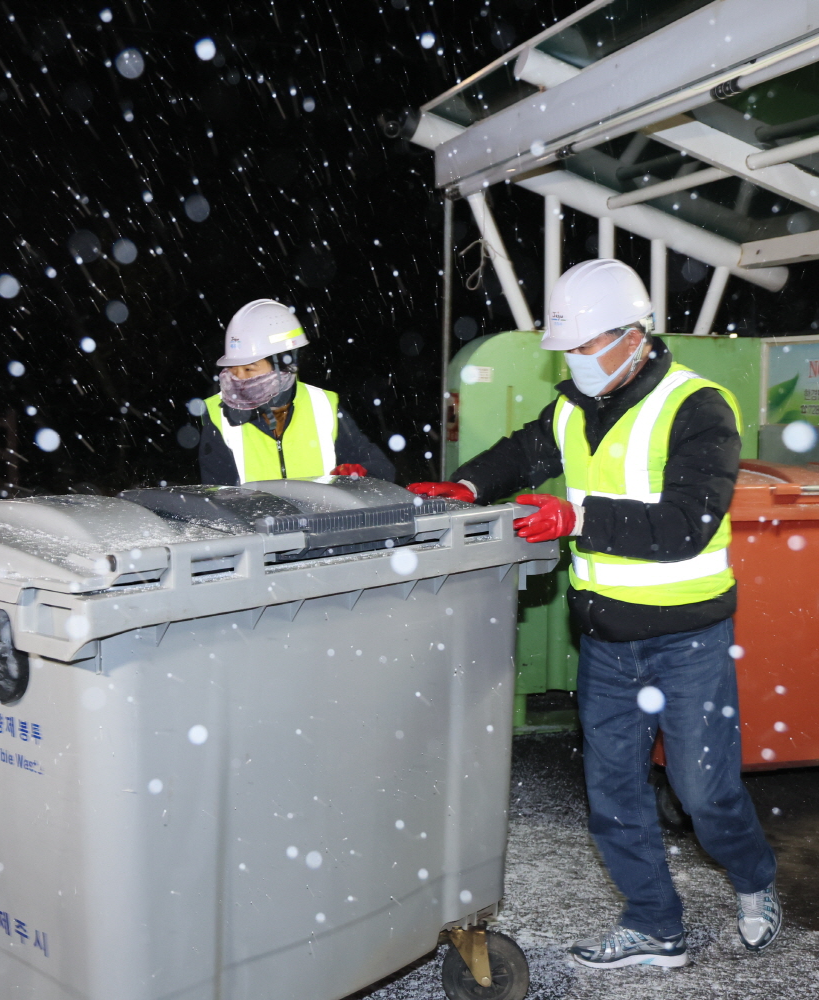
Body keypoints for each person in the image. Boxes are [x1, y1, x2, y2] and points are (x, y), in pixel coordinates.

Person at [409, 259, 780, 969]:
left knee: (704, 793)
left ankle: (756, 878)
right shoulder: (573, 407)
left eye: (584, 346)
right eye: (568, 349)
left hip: (688, 638)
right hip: (607, 641)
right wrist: (465, 484)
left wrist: (577, 515)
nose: (574, 361)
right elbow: (526, 451)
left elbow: (687, 522)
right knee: (612, 793)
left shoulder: (699, 407)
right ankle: (654, 924)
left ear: (633, 336)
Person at [198, 298, 395, 485]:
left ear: (284, 365)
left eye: (249, 369)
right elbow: (217, 499)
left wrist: (360, 477)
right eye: (232, 369)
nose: (239, 379)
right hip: (255, 522)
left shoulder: (323, 407)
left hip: (322, 520)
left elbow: (381, 470)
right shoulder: (219, 418)